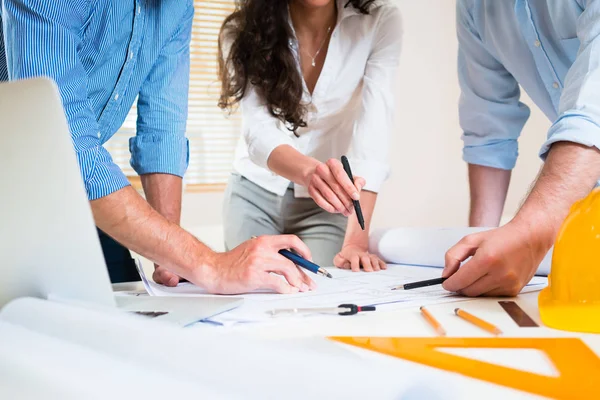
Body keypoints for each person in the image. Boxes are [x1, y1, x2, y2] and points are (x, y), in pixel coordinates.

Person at [0, 0, 315, 294]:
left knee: (122, 295)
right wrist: (210, 265)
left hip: (61, 187)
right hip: (16, 176)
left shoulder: (176, 8)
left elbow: (162, 132)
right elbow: (68, 147)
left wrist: (173, 260)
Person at [218, 0, 402, 271]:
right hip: (253, 192)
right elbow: (258, 131)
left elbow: (373, 133)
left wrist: (356, 242)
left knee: (317, 291)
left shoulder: (379, 20)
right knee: (255, 294)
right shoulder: (241, 29)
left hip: (325, 207)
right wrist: (309, 172)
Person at [442, 0, 600, 296]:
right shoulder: (474, 7)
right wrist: (480, 254)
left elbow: (594, 109)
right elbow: (489, 130)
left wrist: (531, 231)